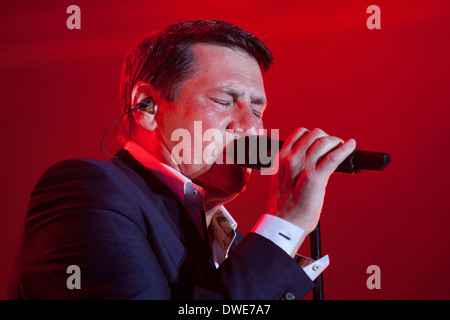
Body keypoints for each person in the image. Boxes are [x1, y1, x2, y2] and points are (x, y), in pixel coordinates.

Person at [8, 20, 356, 299]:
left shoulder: (230, 244)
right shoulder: (88, 191)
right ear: (147, 106)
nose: (252, 126)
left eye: (257, 108)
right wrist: (285, 224)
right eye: (223, 101)